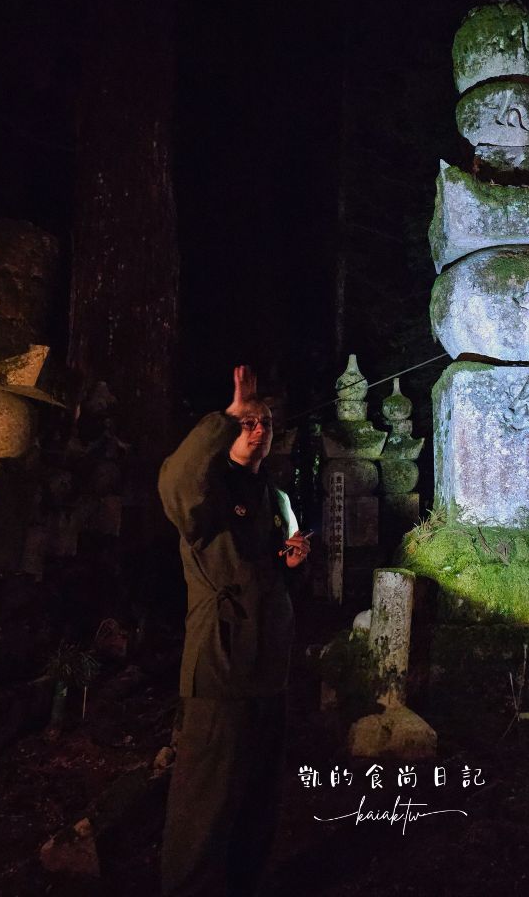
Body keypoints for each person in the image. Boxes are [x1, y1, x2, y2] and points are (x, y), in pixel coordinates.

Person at [158, 365, 310, 897]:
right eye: (248, 422)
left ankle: (248, 881)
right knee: (205, 799)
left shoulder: (271, 496)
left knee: (257, 797)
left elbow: (261, 564)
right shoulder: (208, 490)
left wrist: (289, 559)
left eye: (264, 422)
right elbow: (177, 484)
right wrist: (224, 417)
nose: (258, 429)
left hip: (268, 664)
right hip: (220, 663)